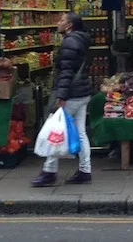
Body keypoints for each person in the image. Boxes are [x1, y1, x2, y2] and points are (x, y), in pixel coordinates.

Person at [32, 12, 93, 187]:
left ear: (69, 26)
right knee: (80, 133)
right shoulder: (80, 39)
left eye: (61, 20)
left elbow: (66, 71)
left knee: (56, 131)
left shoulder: (70, 42)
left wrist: (61, 95)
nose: (58, 23)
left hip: (72, 94)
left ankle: (49, 172)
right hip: (82, 92)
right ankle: (85, 170)